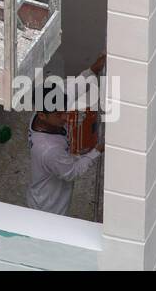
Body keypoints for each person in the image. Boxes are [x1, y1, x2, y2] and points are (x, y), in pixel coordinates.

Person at [26, 54, 106, 216]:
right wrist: (97, 150)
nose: (65, 117)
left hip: (42, 192)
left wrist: (92, 70)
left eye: (64, 111)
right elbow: (73, 172)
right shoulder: (49, 150)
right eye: (59, 115)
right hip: (49, 206)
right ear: (42, 115)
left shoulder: (50, 107)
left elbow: (73, 88)